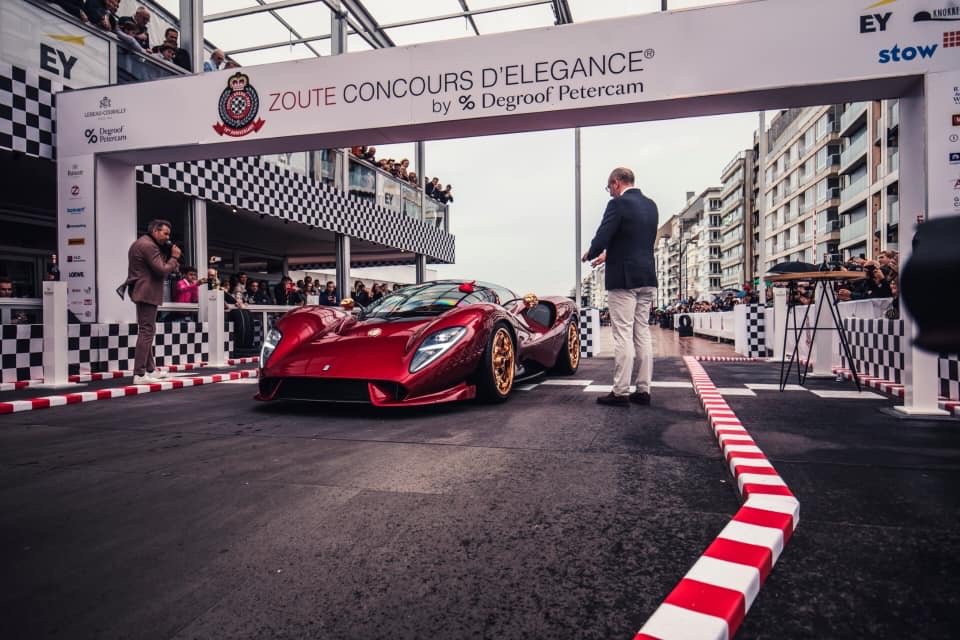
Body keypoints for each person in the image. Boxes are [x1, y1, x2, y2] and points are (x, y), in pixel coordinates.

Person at [582, 167, 659, 406]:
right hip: (646, 276)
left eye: (609, 188)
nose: (610, 194)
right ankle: (643, 389)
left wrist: (591, 253)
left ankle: (621, 391)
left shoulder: (618, 205)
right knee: (642, 332)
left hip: (624, 280)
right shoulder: (651, 205)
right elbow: (635, 241)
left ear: (616, 183)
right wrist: (608, 256)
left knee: (622, 334)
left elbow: (603, 235)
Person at [123, 219, 181, 384]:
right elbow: (162, 270)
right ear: (155, 231)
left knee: (147, 329)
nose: (168, 238)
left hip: (143, 290)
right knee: (147, 331)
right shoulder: (148, 245)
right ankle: (140, 374)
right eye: (165, 233)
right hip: (146, 291)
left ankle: (149, 369)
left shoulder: (143, 243)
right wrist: (174, 258)